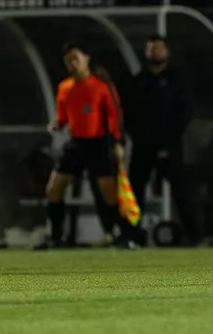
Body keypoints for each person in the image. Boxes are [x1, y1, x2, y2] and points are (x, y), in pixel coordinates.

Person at [34, 44, 133, 250]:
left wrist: (118, 142)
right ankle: (55, 237)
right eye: (68, 60)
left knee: (108, 191)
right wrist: (56, 124)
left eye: (75, 58)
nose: (72, 63)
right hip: (76, 143)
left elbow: (114, 115)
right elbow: (63, 116)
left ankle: (123, 235)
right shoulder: (65, 87)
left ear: (86, 59)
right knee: (54, 189)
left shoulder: (101, 85)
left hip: (98, 143)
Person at [125, 35, 199, 246]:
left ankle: (195, 236)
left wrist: (169, 139)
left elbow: (185, 111)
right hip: (143, 146)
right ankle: (131, 235)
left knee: (181, 191)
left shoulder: (177, 79)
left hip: (170, 145)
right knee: (135, 191)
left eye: (158, 48)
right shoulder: (139, 80)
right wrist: (138, 137)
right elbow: (129, 114)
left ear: (167, 51)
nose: (154, 52)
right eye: (151, 48)